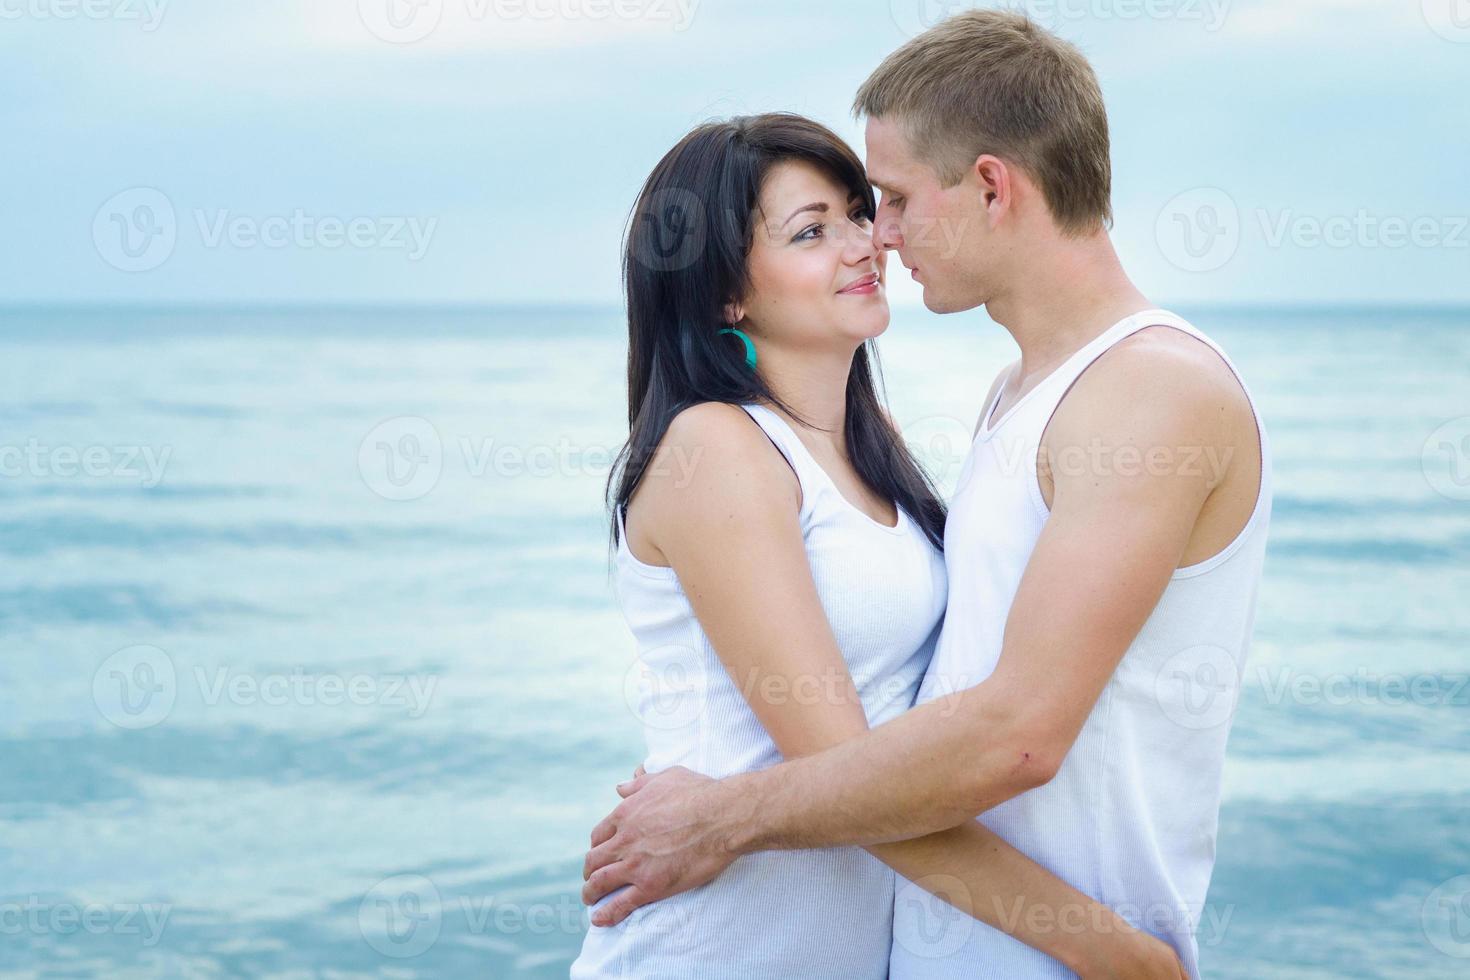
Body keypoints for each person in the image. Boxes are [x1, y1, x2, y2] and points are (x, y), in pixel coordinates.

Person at [583, 12, 1270, 980]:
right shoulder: (1001, 399)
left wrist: (724, 813)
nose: (879, 238)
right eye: (820, 227)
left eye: (882, 203)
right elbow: (880, 743)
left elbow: (1014, 733)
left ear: (991, 185)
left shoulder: (1142, 391)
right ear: (729, 291)